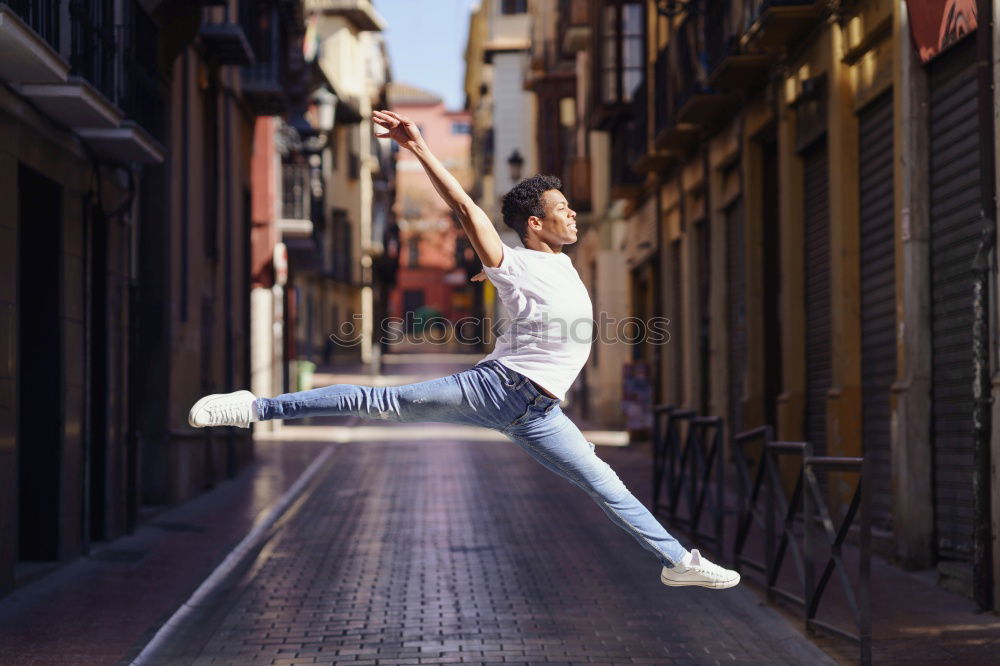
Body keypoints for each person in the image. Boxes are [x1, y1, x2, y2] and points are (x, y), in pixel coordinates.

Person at [188, 109, 740, 590]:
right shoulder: (514, 264)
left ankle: (678, 562)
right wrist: (418, 146)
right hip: (497, 389)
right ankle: (254, 407)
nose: (573, 214)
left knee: (605, 484)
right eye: (562, 208)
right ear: (534, 222)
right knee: (376, 403)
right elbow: (462, 206)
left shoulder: (561, 262)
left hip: (541, 414)